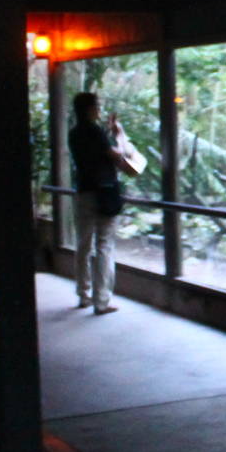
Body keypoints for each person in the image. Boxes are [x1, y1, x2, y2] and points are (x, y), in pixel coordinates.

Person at [68, 92, 139, 314]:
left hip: (83, 191)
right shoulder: (96, 131)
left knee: (83, 244)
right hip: (103, 193)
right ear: (90, 108)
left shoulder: (74, 133)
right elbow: (116, 157)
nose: (99, 109)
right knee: (105, 245)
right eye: (97, 105)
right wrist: (118, 135)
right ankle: (102, 300)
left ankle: (83, 294)